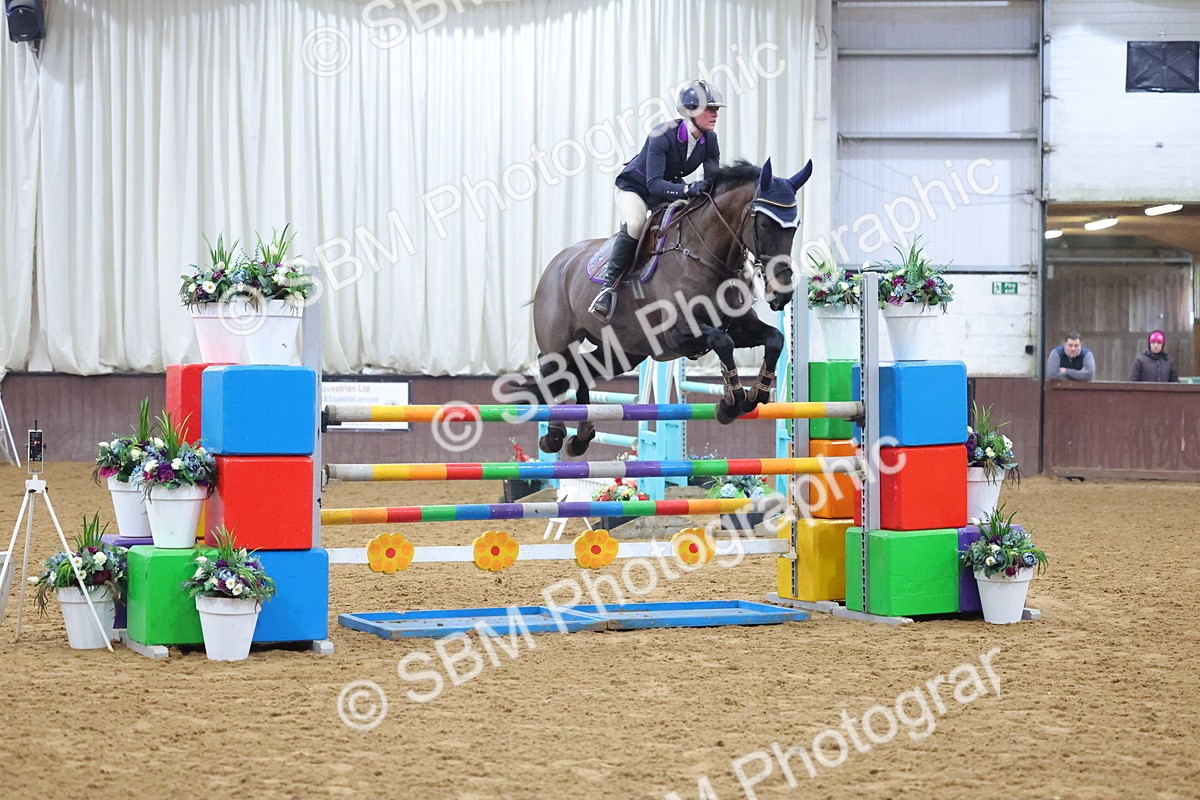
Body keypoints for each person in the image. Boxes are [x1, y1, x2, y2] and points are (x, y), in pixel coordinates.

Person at [590, 79, 724, 319]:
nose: (715, 114)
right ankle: (608, 288)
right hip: (636, 188)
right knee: (636, 223)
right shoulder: (662, 135)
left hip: (667, 188)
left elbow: (712, 180)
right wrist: (686, 190)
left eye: (716, 109)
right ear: (690, 111)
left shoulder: (709, 140)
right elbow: (653, 183)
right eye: (709, 109)